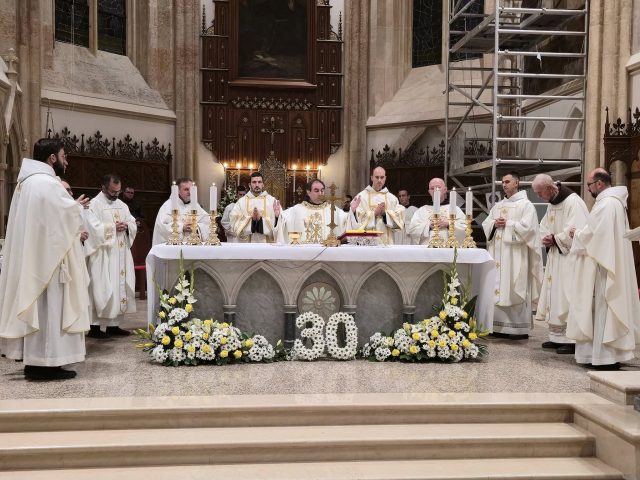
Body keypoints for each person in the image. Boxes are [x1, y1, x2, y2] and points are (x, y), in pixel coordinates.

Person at [0, 138, 91, 380]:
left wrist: (70, 207)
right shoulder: (47, 183)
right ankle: (46, 363)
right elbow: (61, 218)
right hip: (49, 263)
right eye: (63, 156)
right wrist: (77, 207)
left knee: (39, 311)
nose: (66, 161)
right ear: (52, 158)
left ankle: (35, 362)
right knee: (50, 310)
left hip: (37, 258)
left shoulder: (26, 183)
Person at [567, 168, 640, 369]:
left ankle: (604, 357)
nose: (588, 189)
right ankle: (604, 355)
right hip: (607, 262)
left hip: (603, 268)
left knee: (603, 307)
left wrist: (576, 233)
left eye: (589, 185)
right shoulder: (613, 202)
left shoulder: (607, 204)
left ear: (599, 184)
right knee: (604, 309)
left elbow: (595, 236)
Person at [532, 174, 588, 354]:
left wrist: (555, 238)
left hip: (569, 259)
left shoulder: (573, 202)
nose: (539, 196)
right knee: (555, 296)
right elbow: (543, 226)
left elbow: (577, 228)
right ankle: (556, 337)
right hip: (556, 256)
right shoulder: (552, 203)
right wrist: (546, 237)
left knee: (566, 296)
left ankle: (571, 340)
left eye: (540, 193)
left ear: (550, 188)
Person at [481, 172, 543, 339]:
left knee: (514, 285)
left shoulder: (526, 205)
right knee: (497, 286)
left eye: (507, 181)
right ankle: (496, 326)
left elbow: (529, 230)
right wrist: (494, 224)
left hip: (515, 256)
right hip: (498, 254)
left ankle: (517, 329)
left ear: (517, 183)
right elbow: (487, 224)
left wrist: (508, 224)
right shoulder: (498, 206)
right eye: (503, 182)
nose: (504, 184)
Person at [84, 174, 137, 339]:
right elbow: (91, 227)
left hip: (120, 253)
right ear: (103, 187)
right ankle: (94, 327)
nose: (116, 195)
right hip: (103, 254)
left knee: (117, 287)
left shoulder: (122, 205)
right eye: (113, 192)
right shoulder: (94, 204)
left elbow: (132, 222)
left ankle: (114, 325)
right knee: (101, 287)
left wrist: (127, 226)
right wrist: (113, 227)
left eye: (118, 191)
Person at [278, 179, 351, 244]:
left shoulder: (332, 209)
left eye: (322, 190)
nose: (320, 193)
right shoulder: (297, 209)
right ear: (308, 192)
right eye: (316, 191)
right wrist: (277, 216)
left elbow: (347, 220)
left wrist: (353, 211)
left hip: (327, 251)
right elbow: (282, 221)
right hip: (303, 252)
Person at [352, 166, 405, 245]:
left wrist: (385, 214)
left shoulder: (392, 198)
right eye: (377, 177)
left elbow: (399, 221)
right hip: (367, 242)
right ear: (372, 178)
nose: (379, 180)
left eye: (382, 177)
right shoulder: (361, 197)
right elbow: (355, 219)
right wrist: (374, 214)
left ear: (385, 178)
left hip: (387, 242)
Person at [152, 177, 210, 245]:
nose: (190, 192)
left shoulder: (195, 205)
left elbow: (207, 223)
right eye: (186, 189)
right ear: (178, 191)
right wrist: (181, 227)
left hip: (193, 245)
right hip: (174, 246)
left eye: (191, 189)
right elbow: (162, 227)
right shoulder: (167, 206)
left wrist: (196, 227)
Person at [408, 179, 465, 245]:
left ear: (445, 190)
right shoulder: (422, 210)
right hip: (427, 248)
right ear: (429, 191)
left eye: (438, 187)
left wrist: (449, 224)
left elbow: (465, 228)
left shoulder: (455, 209)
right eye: (432, 188)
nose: (435, 190)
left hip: (448, 247)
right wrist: (428, 226)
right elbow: (412, 230)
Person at [230, 172, 281, 243]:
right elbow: (234, 220)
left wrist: (277, 217)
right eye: (254, 182)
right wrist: (252, 221)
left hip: (267, 244)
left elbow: (281, 224)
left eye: (259, 182)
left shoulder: (272, 201)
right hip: (247, 244)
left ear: (263, 184)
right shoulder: (241, 202)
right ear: (249, 185)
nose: (257, 185)